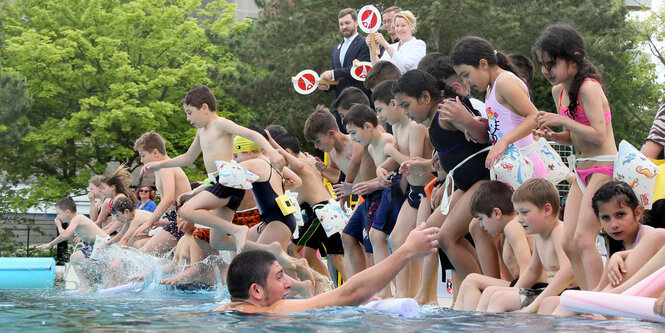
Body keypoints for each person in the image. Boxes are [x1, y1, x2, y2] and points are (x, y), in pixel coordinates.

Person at [140, 86, 285, 253]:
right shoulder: (201, 131)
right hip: (221, 185)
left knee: (186, 211)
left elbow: (253, 135)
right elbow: (188, 157)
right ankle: (272, 251)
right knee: (218, 243)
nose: (188, 118)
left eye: (189, 112)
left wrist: (273, 153)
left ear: (204, 108)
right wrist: (158, 164)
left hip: (228, 182)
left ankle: (237, 230)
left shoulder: (221, 124)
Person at [394, 70, 493, 301]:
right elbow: (458, 152)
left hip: (480, 180)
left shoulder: (446, 111)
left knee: (446, 236)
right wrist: (429, 164)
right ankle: (482, 283)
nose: (406, 112)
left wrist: (467, 120)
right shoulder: (437, 117)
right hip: (465, 184)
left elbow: (484, 136)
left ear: (425, 98)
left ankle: (484, 290)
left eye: (406, 105)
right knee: (431, 232)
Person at [533, 24, 617, 290]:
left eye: (552, 64)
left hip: (604, 168)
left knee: (583, 239)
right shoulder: (559, 91)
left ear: (574, 57)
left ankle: (599, 300)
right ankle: (587, 295)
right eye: (543, 65)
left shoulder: (590, 88)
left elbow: (599, 136)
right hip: (581, 169)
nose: (546, 71)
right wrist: (555, 136)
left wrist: (559, 119)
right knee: (568, 242)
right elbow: (576, 137)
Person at [214, 223, 438, 313]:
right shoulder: (272, 311)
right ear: (256, 291)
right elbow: (349, 294)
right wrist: (407, 250)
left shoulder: (222, 311)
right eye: (280, 277)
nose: (288, 283)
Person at [538, 181, 665, 316]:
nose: (614, 225)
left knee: (570, 306)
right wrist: (618, 255)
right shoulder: (617, 243)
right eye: (605, 218)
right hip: (622, 300)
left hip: (644, 307)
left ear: (638, 212)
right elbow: (600, 288)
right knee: (549, 302)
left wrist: (593, 308)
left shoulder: (652, 236)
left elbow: (615, 290)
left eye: (620, 214)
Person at [368, 81, 434, 298]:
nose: (379, 116)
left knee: (423, 244)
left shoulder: (415, 127)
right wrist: (382, 168)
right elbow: (396, 161)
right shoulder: (396, 127)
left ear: (394, 104)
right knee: (397, 239)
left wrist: (390, 151)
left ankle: (427, 296)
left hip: (427, 190)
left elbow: (412, 162)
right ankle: (403, 295)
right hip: (414, 191)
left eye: (380, 110)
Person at [450, 36, 547, 178]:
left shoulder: (504, 82)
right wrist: (488, 123)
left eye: (466, 75)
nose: (466, 82)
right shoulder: (492, 86)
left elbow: (534, 117)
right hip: (511, 168)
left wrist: (504, 141)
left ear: (483, 64)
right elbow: (511, 121)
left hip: (524, 168)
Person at [477, 178, 576, 313]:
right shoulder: (540, 235)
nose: (519, 219)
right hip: (549, 292)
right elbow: (532, 271)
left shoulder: (559, 232)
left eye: (524, 212)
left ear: (547, 210)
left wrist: (534, 304)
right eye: (518, 213)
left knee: (500, 298)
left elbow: (568, 271)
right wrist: (513, 291)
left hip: (566, 293)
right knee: (490, 293)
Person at [274, 133, 346, 282]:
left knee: (292, 249)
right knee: (327, 256)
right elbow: (307, 191)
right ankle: (332, 287)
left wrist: (274, 146)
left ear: (287, 152)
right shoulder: (310, 159)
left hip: (321, 211)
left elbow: (299, 168)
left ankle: (320, 285)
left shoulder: (298, 163)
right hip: (329, 208)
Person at [453, 181, 535, 311]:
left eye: (481, 218)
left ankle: (471, 325)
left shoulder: (513, 227)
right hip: (524, 286)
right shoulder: (505, 233)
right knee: (471, 280)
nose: (481, 225)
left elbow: (527, 268)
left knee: (472, 281)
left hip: (535, 289)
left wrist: (509, 294)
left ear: (497, 213)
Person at [131, 132, 193, 256]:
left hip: (182, 222)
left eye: (143, 155)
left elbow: (168, 199)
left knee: (145, 253)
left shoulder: (166, 167)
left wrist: (149, 222)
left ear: (155, 152)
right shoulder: (160, 169)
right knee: (140, 246)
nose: (142, 160)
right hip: (176, 220)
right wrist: (159, 221)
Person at [37, 196, 109, 291]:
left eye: (58, 213)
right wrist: (50, 244)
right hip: (96, 245)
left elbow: (65, 235)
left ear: (67, 212)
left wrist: (59, 226)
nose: (57, 216)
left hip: (102, 244)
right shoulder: (75, 220)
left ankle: (95, 275)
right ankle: (85, 285)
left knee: (76, 258)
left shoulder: (77, 218)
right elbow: (63, 235)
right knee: (75, 258)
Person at [319, 8, 372, 133]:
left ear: (356, 22)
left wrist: (333, 73)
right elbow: (336, 78)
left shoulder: (365, 43)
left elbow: (359, 71)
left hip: (358, 105)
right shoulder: (336, 48)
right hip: (339, 107)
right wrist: (327, 86)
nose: (344, 27)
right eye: (341, 24)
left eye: (347, 23)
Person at [99, 165, 137, 236]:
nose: (102, 191)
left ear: (113, 187)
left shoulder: (120, 199)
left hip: (127, 234)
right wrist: (101, 231)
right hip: (121, 233)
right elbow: (114, 222)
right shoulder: (112, 200)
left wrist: (106, 233)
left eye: (104, 188)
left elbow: (121, 222)